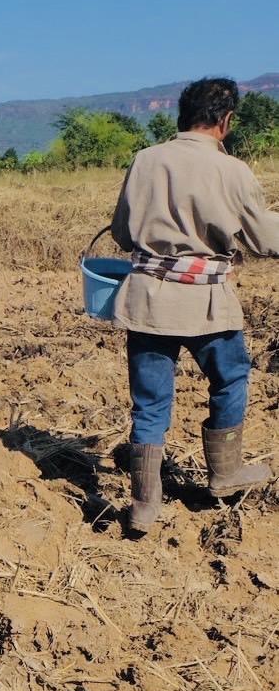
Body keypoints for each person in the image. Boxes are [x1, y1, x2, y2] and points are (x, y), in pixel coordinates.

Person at [110, 76, 279, 534]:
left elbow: (123, 233)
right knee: (230, 379)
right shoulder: (233, 171)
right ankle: (224, 473)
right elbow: (264, 240)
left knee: (149, 404)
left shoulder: (145, 160)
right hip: (207, 302)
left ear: (180, 117)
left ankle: (144, 505)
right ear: (225, 121)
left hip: (148, 300)